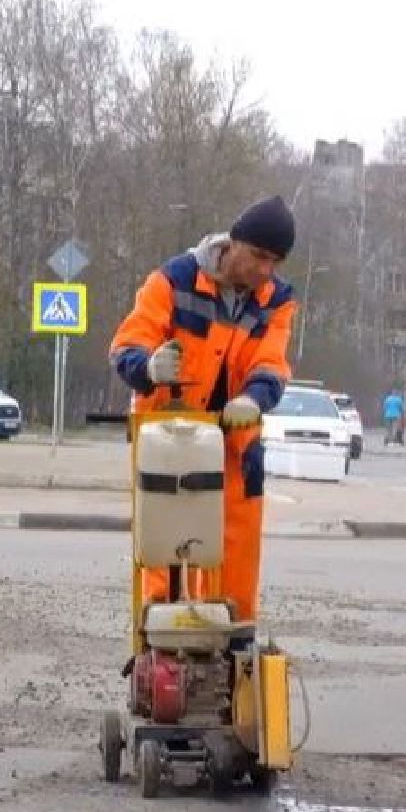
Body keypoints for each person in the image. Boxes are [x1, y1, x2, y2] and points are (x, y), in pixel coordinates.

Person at [108, 196, 299, 624]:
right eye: (259, 256)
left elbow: (270, 361)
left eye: (276, 262)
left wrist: (253, 399)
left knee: (238, 539)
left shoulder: (276, 299)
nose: (266, 270)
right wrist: (149, 367)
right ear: (234, 244)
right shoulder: (174, 280)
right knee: (164, 536)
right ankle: (160, 629)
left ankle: (234, 634)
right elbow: (128, 343)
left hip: (235, 438)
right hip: (168, 434)